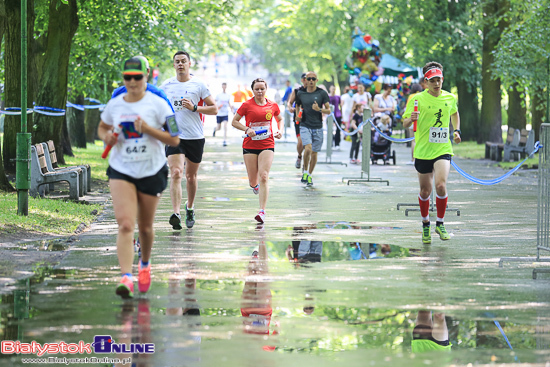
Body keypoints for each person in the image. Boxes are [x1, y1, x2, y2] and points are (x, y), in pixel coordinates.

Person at [98, 57, 180, 298]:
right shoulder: (115, 102)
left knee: (145, 227)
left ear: (147, 76)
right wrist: (107, 138)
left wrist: (148, 129)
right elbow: (102, 127)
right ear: (123, 77)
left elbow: (175, 137)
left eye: (137, 77)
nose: (132, 82)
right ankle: (126, 277)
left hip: (151, 170)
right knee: (125, 224)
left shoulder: (159, 102)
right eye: (127, 77)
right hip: (121, 169)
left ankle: (144, 264)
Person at [402, 61, 461, 244]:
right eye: (433, 80)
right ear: (426, 82)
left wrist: (457, 130)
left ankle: (440, 223)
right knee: (425, 190)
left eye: (439, 80)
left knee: (441, 185)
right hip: (423, 150)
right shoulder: (416, 99)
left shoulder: (450, 98)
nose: (437, 84)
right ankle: (426, 224)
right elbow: (404, 122)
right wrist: (410, 119)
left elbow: (454, 114)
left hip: (442, 149)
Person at [160, 51, 218, 230]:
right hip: (174, 135)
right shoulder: (166, 85)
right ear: (174, 64)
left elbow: (214, 108)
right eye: (177, 62)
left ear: (189, 63)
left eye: (183, 61)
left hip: (194, 135)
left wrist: (195, 108)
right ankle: (176, 213)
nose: (180, 64)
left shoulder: (198, 84)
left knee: (190, 177)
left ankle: (190, 207)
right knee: (176, 172)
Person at [231, 78, 282, 223]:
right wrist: (247, 129)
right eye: (257, 89)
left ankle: (262, 211)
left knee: (264, 176)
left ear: (266, 89)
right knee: (253, 181)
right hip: (250, 145)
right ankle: (255, 186)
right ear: (252, 90)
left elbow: (280, 119)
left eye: (262, 89)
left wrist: (280, 130)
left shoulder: (272, 105)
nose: (260, 91)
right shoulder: (246, 105)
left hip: (267, 144)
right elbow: (234, 121)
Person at [295, 71, 330, 186]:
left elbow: (329, 110)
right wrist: (297, 115)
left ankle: (309, 175)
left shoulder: (322, 93)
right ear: (305, 80)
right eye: (308, 79)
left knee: (314, 153)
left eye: (313, 79)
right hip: (305, 125)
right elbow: (297, 105)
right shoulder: (300, 93)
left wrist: (319, 109)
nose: (310, 81)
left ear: (316, 80)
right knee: (308, 149)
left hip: (318, 127)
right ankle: (305, 172)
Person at [286, 73, 307, 170]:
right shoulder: (297, 91)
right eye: (306, 79)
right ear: (302, 80)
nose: (309, 81)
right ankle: (299, 156)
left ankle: (306, 165)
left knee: (309, 144)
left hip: (312, 119)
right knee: (301, 142)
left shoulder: (316, 92)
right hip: (299, 119)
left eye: (312, 79)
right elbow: (289, 103)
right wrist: (290, 108)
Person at [405, 83, 423, 165]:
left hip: (412, 118)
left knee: (413, 140)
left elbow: (408, 107)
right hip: (420, 119)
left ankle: (413, 159)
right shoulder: (422, 96)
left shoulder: (411, 96)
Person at [213, 82, 232, 147]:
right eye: (223, 86)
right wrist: (217, 107)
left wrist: (231, 109)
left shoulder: (228, 95)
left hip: (225, 113)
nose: (224, 87)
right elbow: (214, 102)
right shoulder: (218, 95)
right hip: (219, 113)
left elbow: (229, 103)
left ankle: (224, 140)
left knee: (225, 126)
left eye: (225, 86)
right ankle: (215, 129)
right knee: (219, 127)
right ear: (222, 87)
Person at [329, 85, 342, 150]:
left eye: (334, 89)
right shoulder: (328, 97)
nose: (333, 90)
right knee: (330, 129)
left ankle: (337, 143)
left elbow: (340, 105)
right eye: (332, 89)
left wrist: (341, 113)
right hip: (330, 114)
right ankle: (330, 143)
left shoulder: (338, 97)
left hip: (337, 114)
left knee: (338, 129)